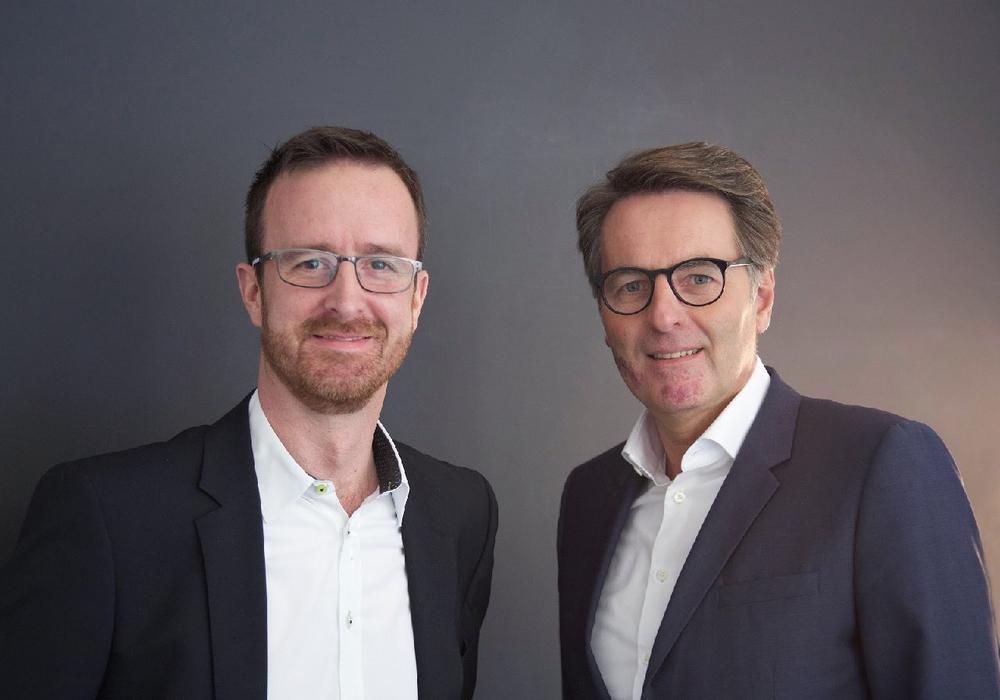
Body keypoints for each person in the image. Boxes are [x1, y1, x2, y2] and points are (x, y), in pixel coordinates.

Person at [1, 126, 498, 700]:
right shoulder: (108, 520)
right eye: (309, 262)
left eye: (381, 264)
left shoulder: (462, 515)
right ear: (254, 292)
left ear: (416, 297)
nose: (346, 300)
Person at [557, 142, 999, 699]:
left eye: (699, 278)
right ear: (604, 315)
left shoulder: (880, 464)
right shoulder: (588, 498)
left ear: (762, 297)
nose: (664, 316)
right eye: (631, 285)